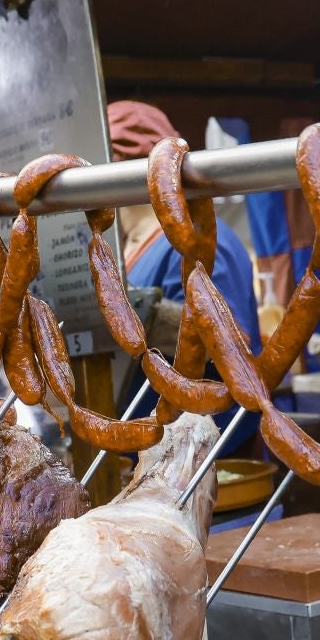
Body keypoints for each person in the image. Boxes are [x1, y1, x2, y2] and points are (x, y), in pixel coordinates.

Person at [108, 100, 262, 454]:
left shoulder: (203, 240)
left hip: (204, 460)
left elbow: (223, 345)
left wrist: (135, 316)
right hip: (145, 453)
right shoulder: (126, 248)